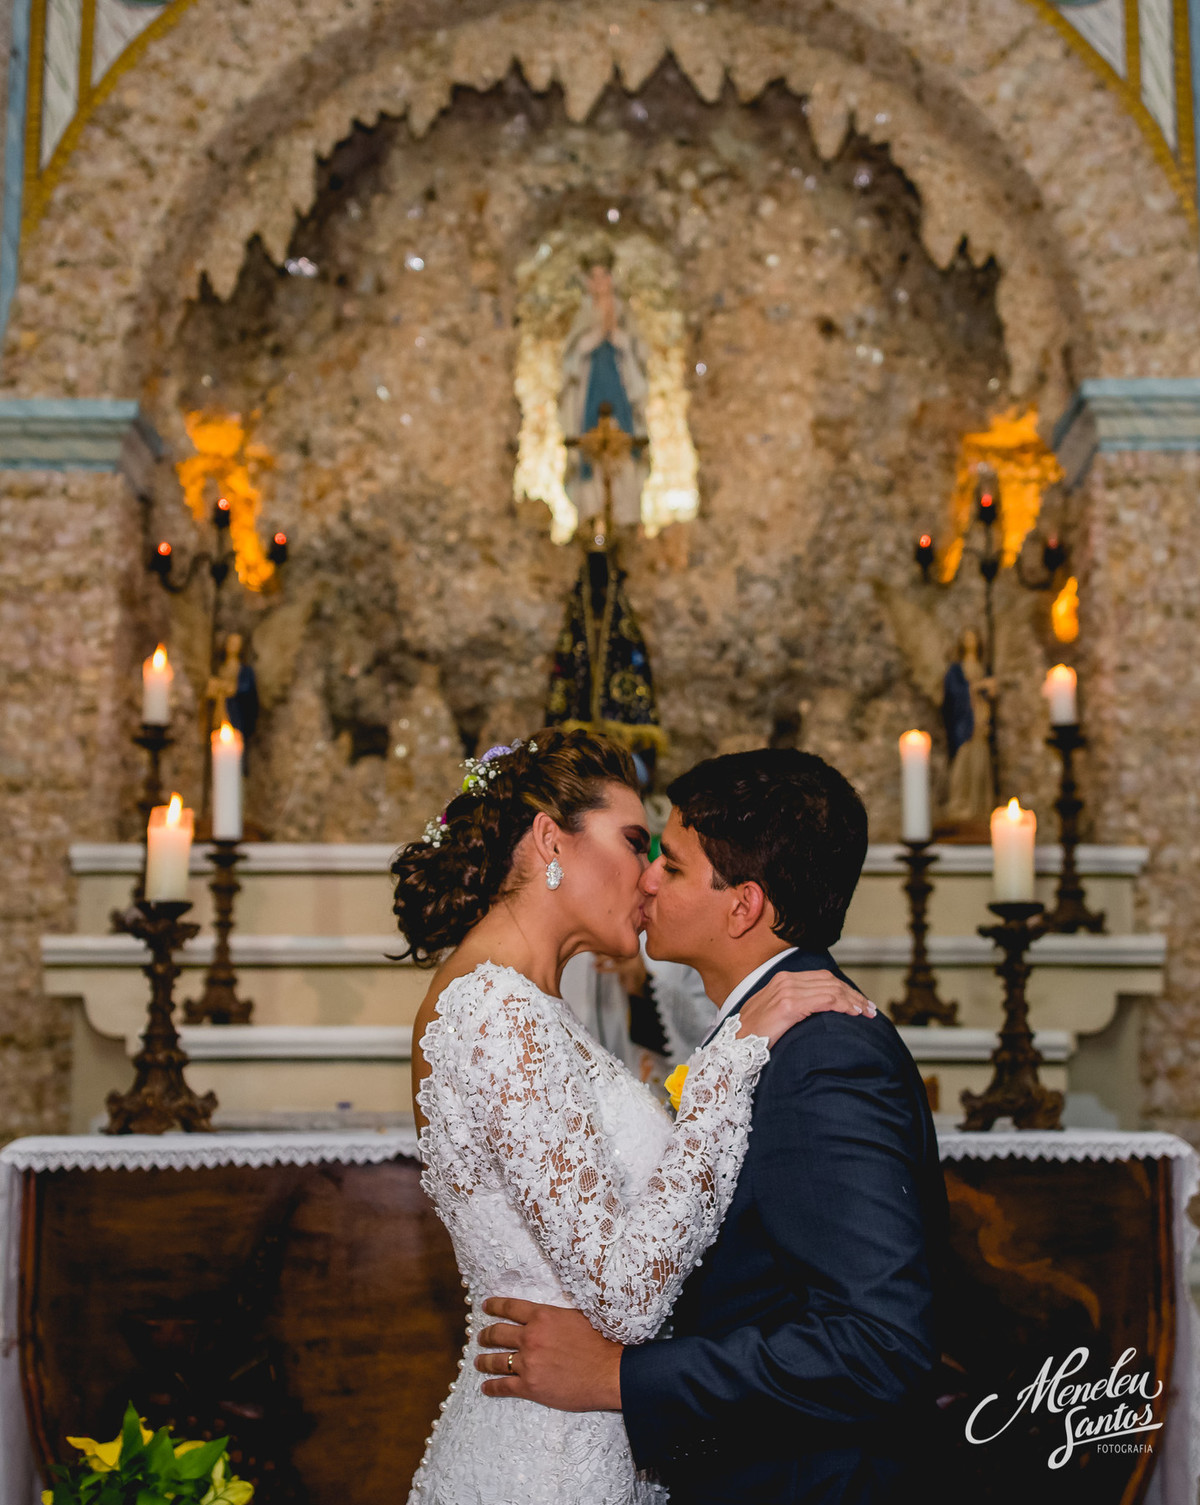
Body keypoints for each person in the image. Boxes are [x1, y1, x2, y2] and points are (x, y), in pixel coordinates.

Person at [391, 730, 873, 1505]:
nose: (651, 875)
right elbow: (623, 1296)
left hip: (596, 1436)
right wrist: (732, 1057)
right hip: (545, 1461)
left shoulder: (535, 1008)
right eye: (634, 841)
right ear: (551, 838)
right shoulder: (494, 1010)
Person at [474, 748, 948, 1503]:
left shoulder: (823, 1054)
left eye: (674, 864)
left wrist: (617, 1377)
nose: (647, 877)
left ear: (744, 906)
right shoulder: (769, 1032)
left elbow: (879, 1344)